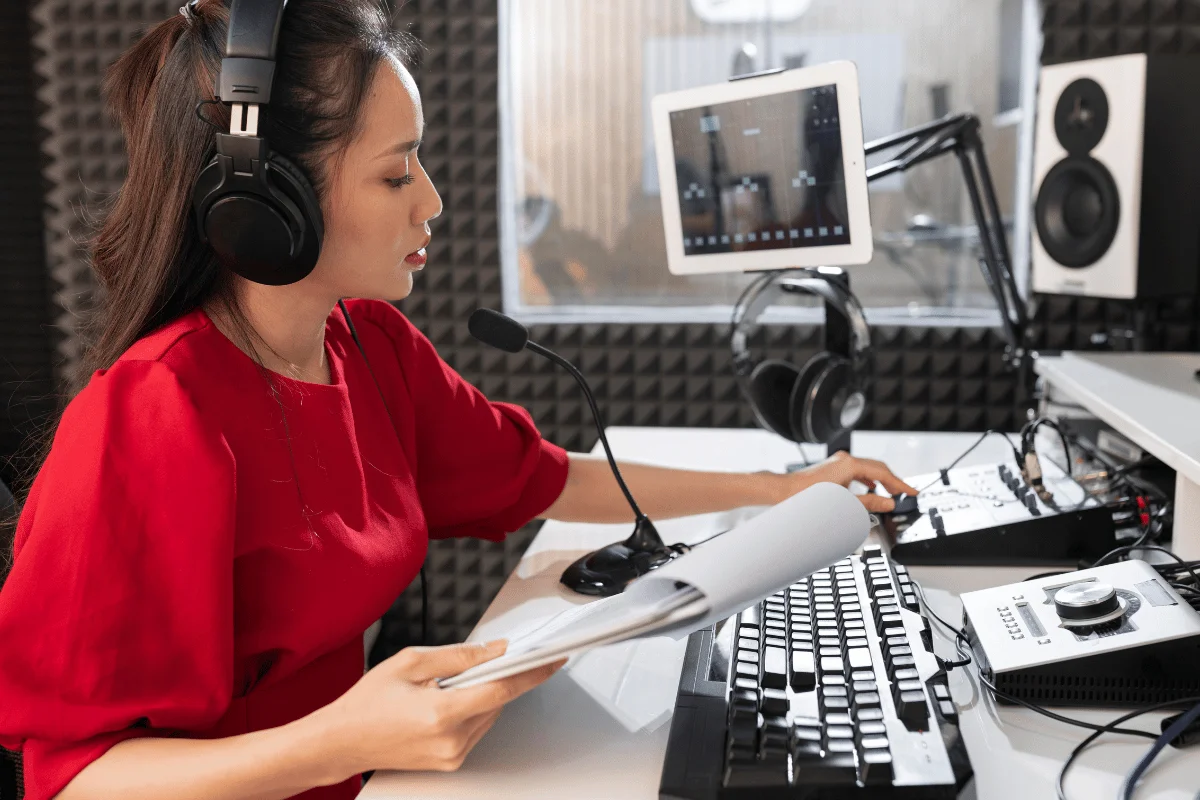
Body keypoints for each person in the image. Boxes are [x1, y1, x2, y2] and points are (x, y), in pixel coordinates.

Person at [0, 2, 917, 799]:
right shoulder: (147, 421)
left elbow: (545, 478)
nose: (431, 201)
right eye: (396, 173)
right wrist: (340, 741)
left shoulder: (369, 345)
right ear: (266, 202)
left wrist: (776, 493)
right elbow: (75, 780)